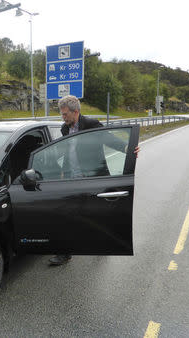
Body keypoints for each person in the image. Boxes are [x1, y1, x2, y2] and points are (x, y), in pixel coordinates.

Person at [49, 95, 140, 266]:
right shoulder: (64, 129)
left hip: (93, 178)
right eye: (62, 114)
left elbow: (108, 139)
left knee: (97, 215)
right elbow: (64, 152)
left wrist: (127, 148)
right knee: (66, 215)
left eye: (65, 114)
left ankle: (103, 245)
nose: (63, 117)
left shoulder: (91, 125)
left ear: (76, 112)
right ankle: (64, 253)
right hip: (71, 181)